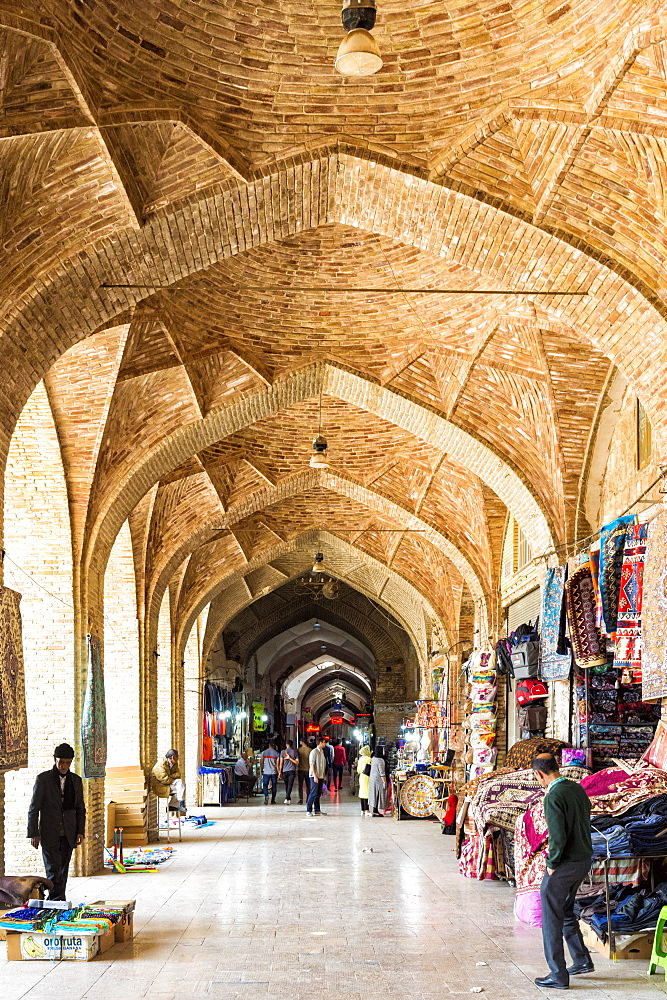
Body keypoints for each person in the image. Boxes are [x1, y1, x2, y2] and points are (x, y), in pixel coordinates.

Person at [532, 754, 594, 989]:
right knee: (566, 909)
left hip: (565, 864)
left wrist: (551, 863)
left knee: (550, 917)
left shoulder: (553, 795)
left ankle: (557, 974)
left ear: (539, 774)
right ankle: (581, 960)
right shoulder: (576, 789)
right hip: (583, 860)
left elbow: (557, 837)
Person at [27, 742, 86, 901]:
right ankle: (56, 903)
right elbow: (34, 808)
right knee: (53, 870)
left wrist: (80, 831)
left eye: (67, 763)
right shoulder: (43, 779)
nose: (63, 766)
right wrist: (34, 833)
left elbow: (80, 808)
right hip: (49, 833)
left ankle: (57, 903)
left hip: (69, 833)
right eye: (61, 762)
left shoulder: (76, 781)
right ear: (54, 759)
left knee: (63, 870)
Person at [152, 749, 187, 815]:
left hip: (168, 784)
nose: (178, 759)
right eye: (177, 757)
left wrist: (170, 776)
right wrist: (173, 778)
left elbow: (178, 774)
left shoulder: (174, 764)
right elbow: (165, 779)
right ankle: (180, 804)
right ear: (173, 757)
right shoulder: (160, 765)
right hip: (161, 786)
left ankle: (172, 806)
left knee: (181, 787)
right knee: (179, 784)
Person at [306, 735, 328, 817]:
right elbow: (312, 764)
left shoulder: (322, 752)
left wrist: (324, 775)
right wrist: (315, 776)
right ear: (320, 743)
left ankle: (317, 810)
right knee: (313, 792)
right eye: (324, 742)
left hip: (321, 775)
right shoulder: (314, 752)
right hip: (314, 776)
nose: (325, 744)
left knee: (318, 793)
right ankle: (308, 810)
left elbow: (323, 764)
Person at [369, 746, 388, 817]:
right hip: (378, 780)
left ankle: (374, 810)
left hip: (373, 779)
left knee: (374, 794)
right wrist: (384, 782)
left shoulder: (373, 758)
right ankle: (375, 812)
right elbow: (382, 772)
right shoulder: (380, 760)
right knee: (378, 795)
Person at [357, 744, 372, 815]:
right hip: (367, 776)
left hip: (361, 776)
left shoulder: (360, 759)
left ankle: (362, 809)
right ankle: (367, 809)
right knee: (366, 793)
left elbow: (358, 770)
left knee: (362, 792)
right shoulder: (369, 759)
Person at [297, 739, 311, 805]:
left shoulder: (298, 750)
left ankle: (301, 799)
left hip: (300, 769)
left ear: (302, 742)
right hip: (308, 769)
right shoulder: (310, 750)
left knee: (300, 785)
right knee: (308, 785)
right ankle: (308, 798)